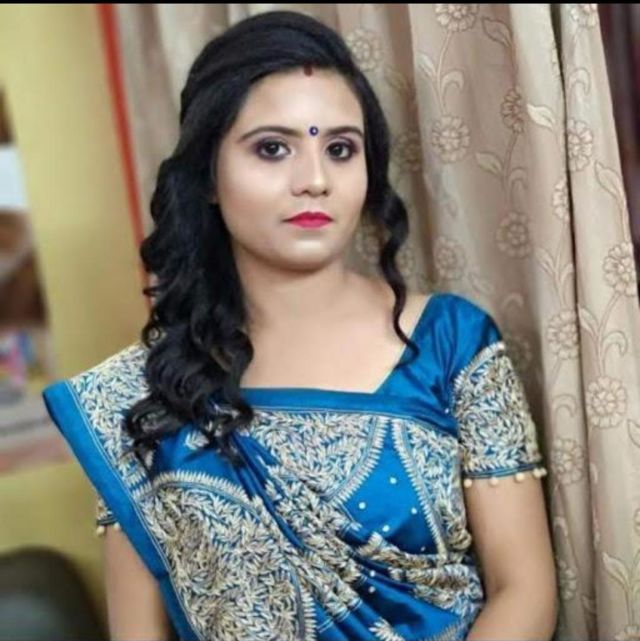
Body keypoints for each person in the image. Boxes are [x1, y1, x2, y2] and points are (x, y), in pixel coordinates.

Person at [42, 10, 558, 641]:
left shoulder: (451, 344)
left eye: (340, 149)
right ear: (208, 176)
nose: (314, 180)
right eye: (272, 148)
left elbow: (524, 589)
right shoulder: (144, 399)